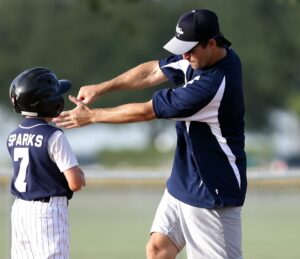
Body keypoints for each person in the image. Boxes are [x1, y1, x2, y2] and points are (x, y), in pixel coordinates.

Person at [54, 9, 247, 259]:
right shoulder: (206, 58)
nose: (184, 55)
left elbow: (145, 112)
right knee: (158, 249)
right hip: (186, 178)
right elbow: (152, 72)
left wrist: (91, 116)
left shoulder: (211, 87)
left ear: (211, 43)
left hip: (212, 189)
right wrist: (101, 88)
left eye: (190, 49)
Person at [7, 67, 85, 259]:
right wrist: (80, 174)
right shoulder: (53, 136)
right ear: (49, 103)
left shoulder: (13, 136)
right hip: (47, 212)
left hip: (20, 210)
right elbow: (75, 183)